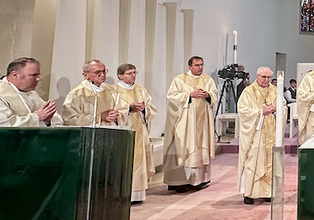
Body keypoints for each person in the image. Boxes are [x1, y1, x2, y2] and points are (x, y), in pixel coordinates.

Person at [164, 56, 217, 190]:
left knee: (201, 147)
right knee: (183, 147)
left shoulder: (208, 80)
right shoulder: (179, 80)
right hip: (185, 123)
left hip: (202, 123)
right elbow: (171, 96)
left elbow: (214, 95)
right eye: (197, 65)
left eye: (201, 65)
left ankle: (200, 180)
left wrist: (208, 95)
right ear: (190, 67)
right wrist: (189, 95)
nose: (200, 67)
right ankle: (179, 182)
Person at [116, 63, 157, 203]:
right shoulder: (113, 90)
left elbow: (151, 107)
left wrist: (144, 109)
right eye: (130, 73)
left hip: (140, 131)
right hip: (123, 132)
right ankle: (124, 194)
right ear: (120, 75)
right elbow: (113, 109)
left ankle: (138, 195)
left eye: (134, 73)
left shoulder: (141, 89)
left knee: (139, 160)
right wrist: (128, 108)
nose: (133, 76)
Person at [237, 66, 277, 204]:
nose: (266, 80)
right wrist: (261, 112)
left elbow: (283, 107)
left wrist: (276, 109)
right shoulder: (248, 92)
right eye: (263, 77)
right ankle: (249, 193)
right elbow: (242, 110)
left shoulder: (275, 90)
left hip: (271, 133)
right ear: (257, 76)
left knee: (270, 162)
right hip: (255, 134)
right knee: (253, 160)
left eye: (268, 77)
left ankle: (268, 192)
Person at [63, 59, 129, 127]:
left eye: (104, 71)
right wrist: (99, 118)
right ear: (86, 75)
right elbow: (70, 119)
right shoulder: (76, 94)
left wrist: (116, 115)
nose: (102, 75)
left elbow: (123, 110)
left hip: (111, 131)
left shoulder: (112, 90)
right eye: (97, 72)